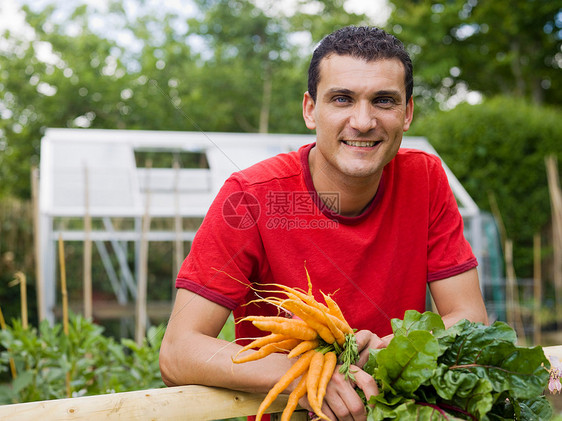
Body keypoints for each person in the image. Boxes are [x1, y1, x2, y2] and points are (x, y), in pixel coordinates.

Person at [159, 26, 488, 421]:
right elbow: (178, 351)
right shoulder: (250, 196)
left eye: (384, 101)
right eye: (342, 99)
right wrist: (308, 372)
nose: (363, 121)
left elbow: (470, 317)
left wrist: (389, 347)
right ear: (310, 109)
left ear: (408, 113)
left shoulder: (425, 178)